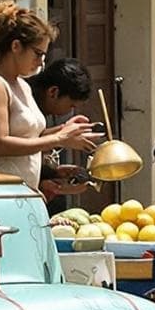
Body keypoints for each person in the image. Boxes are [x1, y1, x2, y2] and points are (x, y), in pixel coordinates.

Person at [0, 3, 98, 186]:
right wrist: (59, 139)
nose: (41, 61)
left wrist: (64, 130)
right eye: (37, 53)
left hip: (21, 191)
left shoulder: (21, 85)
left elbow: (30, 135)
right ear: (16, 46)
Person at [30, 56, 98, 204]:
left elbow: (31, 144)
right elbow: (14, 146)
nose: (70, 111)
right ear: (53, 92)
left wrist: (52, 173)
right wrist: (62, 137)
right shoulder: (26, 106)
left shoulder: (44, 111)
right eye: (71, 105)